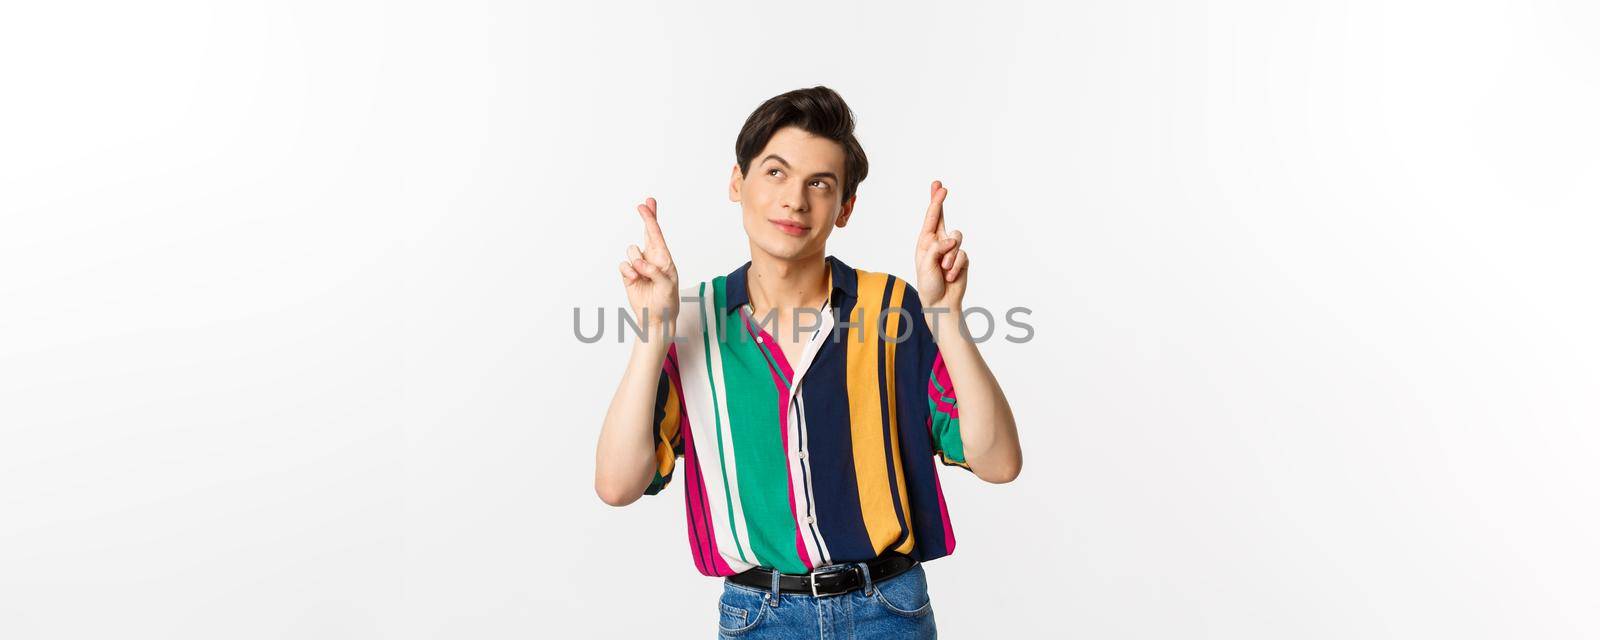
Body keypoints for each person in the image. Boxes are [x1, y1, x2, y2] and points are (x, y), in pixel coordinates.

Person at [595, 85, 1022, 638]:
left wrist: (945, 317)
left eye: (819, 184)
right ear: (736, 182)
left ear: (844, 207)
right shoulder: (689, 321)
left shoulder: (892, 309)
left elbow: (998, 462)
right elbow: (618, 484)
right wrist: (653, 332)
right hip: (759, 617)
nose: (795, 200)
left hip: (887, 612)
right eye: (775, 172)